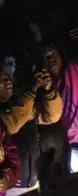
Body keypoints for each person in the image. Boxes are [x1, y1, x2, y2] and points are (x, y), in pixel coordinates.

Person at [0, 68, 62, 195]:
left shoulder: (21, 103)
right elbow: (12, 126)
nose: (8, 82)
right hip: (9, 185)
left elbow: (51, 116)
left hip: (32, 179)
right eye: (1, 80)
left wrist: (48, 89)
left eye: (8, 78)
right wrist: (32, 89)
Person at [40, 45, 78, 173]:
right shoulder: (48, 87)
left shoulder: (73, 68)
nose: (51, 59)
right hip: (71, 142)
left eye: (54, 54)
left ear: (62, 56)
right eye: (47, 58)